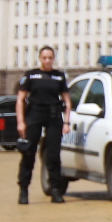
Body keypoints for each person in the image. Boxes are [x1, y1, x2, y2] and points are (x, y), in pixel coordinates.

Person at [15, 46, 72, 205]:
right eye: (44, 58)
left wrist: (67, 121)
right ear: (40, 58)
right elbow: (20, 99)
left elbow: (67, 101)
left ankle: (55, 189)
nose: (47, 61)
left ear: (53, 59)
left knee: (53, 155)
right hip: (34, 114)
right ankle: (24, 189)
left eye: (50, 58)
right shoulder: (31, 75)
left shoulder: (59, 76)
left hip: (54, 116)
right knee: (29, 153)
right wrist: (21, 122)